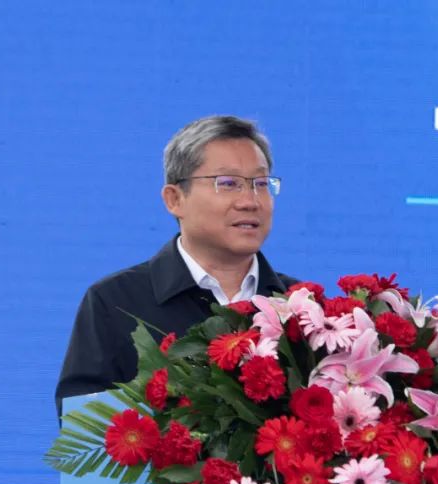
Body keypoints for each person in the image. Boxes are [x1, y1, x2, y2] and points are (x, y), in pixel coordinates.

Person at [56, 115, 297, 415]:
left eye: (260, 183)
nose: (250, 201)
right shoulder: (115, 302)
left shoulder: (301, 308)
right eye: (228, 183)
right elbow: (85, 429)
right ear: (175, 199)